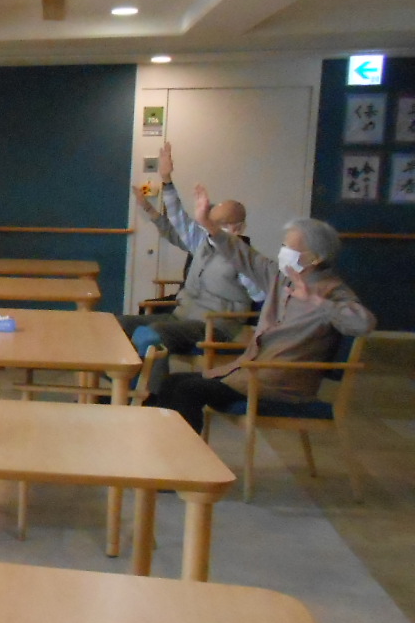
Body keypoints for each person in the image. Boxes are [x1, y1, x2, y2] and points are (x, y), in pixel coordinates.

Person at [146, 194, 375, 433]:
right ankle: (169, 448)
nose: (283, 252)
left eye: (291, 248)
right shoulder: (282, 278)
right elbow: (243, 255)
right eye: (284, 246)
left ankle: (186, 454)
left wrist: (317, 301)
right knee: (172, 383)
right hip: (251, 373)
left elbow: (364, 324)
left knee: (187, 390)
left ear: (316, 258)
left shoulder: (333, 291)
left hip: (279, 384)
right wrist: (209, 225)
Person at [119, 141, 264, 373]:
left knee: (154, 333)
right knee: (121, 325)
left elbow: (263, 298)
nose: (210, 229)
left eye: (219, 225)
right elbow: (177, 218)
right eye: (209, 223)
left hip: (215, 326)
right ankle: (121, 383)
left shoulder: (246, 260)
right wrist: (166, 179)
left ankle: (151, 391)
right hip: (182, 316)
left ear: (238, 228)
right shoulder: (203, 243)